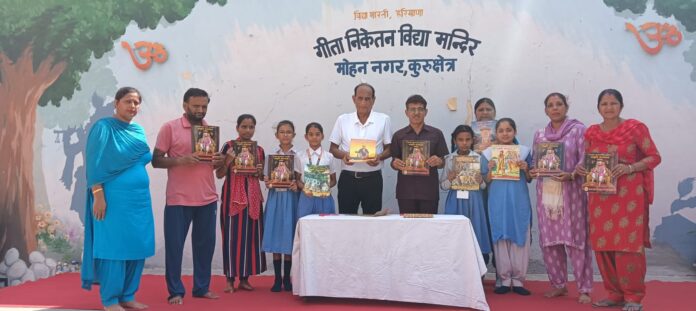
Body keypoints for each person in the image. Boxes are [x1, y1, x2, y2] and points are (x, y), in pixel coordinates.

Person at [575, 89, 661, 311]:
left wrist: (630, 167)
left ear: (621, 106)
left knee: (628, 247)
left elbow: (654, 156)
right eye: (604, 103)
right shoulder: (592, 132)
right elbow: (586, 160)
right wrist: (581, 168)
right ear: (598, 108)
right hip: (600, 197)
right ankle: (614, 294)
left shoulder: (635, 128)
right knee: (604, 247)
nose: (609, 107)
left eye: (613, 103)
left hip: (628, 196)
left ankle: (633, 297)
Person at [81, 87, 153, 311]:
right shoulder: (103, 128)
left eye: (136, 102)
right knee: (114, 248)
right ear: (116, 102)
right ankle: (110, 300)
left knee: (136, 247)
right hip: (112, 200)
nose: (133, 106)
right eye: (128, 101)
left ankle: (128, 296)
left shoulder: (138, 130)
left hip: (139, 201)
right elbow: (93, 163)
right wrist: (98, 194)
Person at [153, 88, 222, 305]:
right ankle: (175, 291)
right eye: (196, 106)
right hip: (178, 199)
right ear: (185, 105)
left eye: (204, 106)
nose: (200, 110)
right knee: (174, 247)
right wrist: (180, 160)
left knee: (205, 247)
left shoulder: (210, 132)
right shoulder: (169, 128)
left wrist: (219, 160)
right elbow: (156, 160)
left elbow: (211, 167)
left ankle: (202, 288)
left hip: (207, 198)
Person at [529, 93, 592, 304]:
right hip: (546, 195)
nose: (555, 108)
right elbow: (535, 163)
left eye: (559, 104)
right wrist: (533, 170)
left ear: (566, 107)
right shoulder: (540, 134)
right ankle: (558, 285)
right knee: (550, 241)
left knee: (576, 240)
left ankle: (584, 288)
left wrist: (573, 174)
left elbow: (586, 159)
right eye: (550, 105)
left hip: (571, 193)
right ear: (545, 110)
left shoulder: (578, 130)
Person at [482, 118, 533, 296]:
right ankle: (504, 279)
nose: (505, 133)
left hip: (518, 201)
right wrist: (489, 169)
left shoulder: (525, 152)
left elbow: (530, 178)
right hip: (497, 201)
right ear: (497, 133)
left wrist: (526, 168)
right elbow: (485, 181)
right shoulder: (488, 153)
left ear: (515, 131)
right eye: (502, 130)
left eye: (509, 130)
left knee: (520, 235)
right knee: (500, 237)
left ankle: (518, 281)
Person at [217, 114, 267, 292]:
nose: (247, 130)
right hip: (233, 197)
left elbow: (261, 177)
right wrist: (228, 160)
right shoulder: (229, 147)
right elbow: (219, 174)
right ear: (237, 127)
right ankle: (230, 280)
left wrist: (260, 171)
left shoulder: (259, 150)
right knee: (232, 237)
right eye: (244, 127)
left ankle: (245, 279)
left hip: (253, 197)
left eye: (251, 127)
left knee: (251, 237)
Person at [329, 83, 392, 214]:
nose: (363, 102)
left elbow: (390, 149)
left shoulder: (384, 119)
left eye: (367, 99)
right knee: (346, 219)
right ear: (354, 99)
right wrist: (344, 155)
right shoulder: (343, 119)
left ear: (373, 100)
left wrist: (379, 157)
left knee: (372, 221)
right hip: (348, 179)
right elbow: (333, 149)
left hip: (373, 179)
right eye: (360, 98)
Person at [440, 125, 492, 262]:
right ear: (455, 141)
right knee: (455, 233)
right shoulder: (450, 159)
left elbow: (484, 185)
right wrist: (450, 179)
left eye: (467, 139)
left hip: (474, 201)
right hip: (455, 200)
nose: (464, 143)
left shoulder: (479, 158)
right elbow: (443, 186)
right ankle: (456, 267)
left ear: (472, 140)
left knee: (476, 231)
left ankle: (480, 269)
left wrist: (481, 180)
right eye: (460, 139)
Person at [390, 95, 448, 214]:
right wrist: (395, 164)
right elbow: (393, 161)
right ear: (406, 112)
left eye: (420, 109)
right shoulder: (398, 135)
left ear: (426, 112)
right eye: (412, 109)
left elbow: (443, 162)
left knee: (428, 228)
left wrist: (439, 161)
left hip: (429, 191)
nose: (416, 113)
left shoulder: (436, 134)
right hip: (405, 191)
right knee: (407, 229)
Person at [261, 120, 300, 292]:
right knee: (276, 234)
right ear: (276, 135)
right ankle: (277, 279)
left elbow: (300, 178)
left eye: (289, 131)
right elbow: (266, 179)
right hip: (276, 198)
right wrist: (268, 182)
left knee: (289, 235)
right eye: (282, 131)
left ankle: (287, 279)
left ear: (294, 135)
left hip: (292, 199)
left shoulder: (298, 156)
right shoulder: (271, 156)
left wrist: (296, 184)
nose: (285, 134)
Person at [296, 122, 339, 217]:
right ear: (306, 137)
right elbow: (297, 179)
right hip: (306, 197)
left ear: (322, 136)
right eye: (311, 134)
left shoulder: (329, 156)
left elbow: (333, 180)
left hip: (324, 197)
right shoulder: (300, 156)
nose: (314, 137)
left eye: (317, 134)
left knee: (325, 226)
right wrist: (305, 189)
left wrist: (326, 188)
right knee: (305, 226)